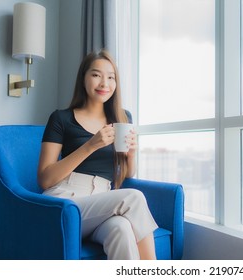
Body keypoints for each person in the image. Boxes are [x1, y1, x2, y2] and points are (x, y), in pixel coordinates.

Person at [37, 49, 158, 260]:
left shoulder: (122, 117)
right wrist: (90, 145)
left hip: (103, 201)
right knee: (134, 197)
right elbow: (45, 179)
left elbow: (127, 174)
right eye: (96, 75)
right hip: (66, 201)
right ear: (83, 78)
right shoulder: (61, 119)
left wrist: (131, 154)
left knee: (121, 228)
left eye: (111, 77)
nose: (104, 83)